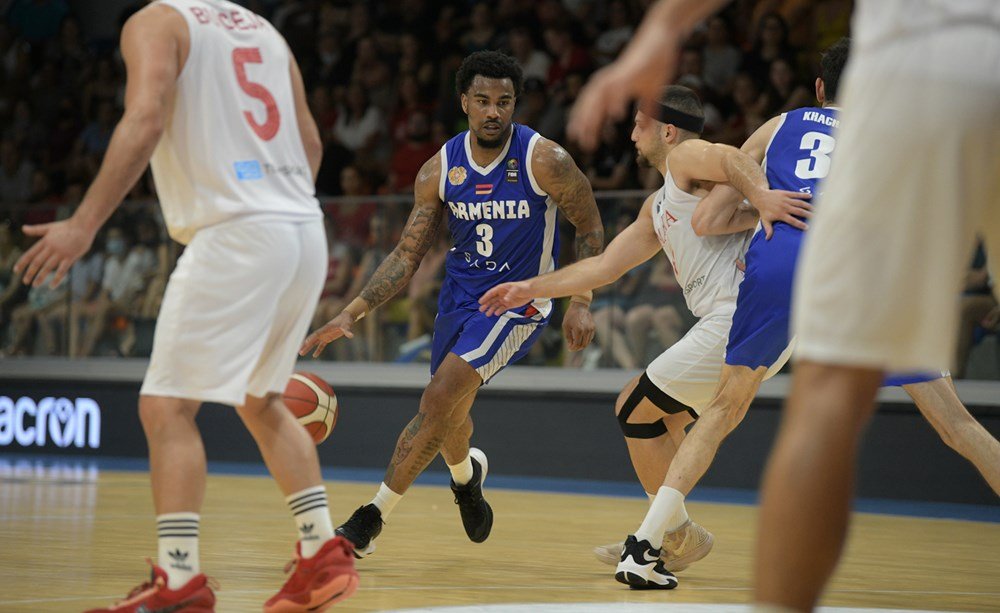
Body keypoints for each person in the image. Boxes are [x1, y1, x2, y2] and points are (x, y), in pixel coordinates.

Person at [14, 1, 359, 611]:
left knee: (166, 407)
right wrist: (274, 206)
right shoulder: (264, 29)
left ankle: (179, 581)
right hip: (303, 228)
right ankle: (321, 553)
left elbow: (146, 117)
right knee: (261, 400)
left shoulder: (157, 21)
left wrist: (84, 223)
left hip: (237, 232)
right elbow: (309, 142)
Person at [632, 38, 1000, 589]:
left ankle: (645, 544)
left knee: (726, 407)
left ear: (821, 87)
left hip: (788, 254)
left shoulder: (783, 124)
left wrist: (765, 205)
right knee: (957, 424)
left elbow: (707, 220)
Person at [479, 84, 811, 589]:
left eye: (640, 124)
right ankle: (671, 533)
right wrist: (531, 288)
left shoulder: (685, 158)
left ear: (668, 130)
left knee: (634, 406)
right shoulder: (658, 206)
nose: (632, 134)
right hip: (728, 322)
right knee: (662, 418)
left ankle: (665, 537)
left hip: (740, 314)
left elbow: (730, 156)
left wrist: (761, 197)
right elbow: (605, 267)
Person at [301, 50, 603, 558]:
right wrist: (351, 311)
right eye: (483, 101)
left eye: (504, 102)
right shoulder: (439, 168)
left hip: (520, 303)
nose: (493, 112)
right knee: (450, 415)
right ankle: (466, 478)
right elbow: (407, 254)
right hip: (459, 300)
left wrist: (581, 298)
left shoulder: (545, 160)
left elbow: (590, 224)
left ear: (515, 105)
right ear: (464, 102)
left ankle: (370, 519)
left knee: (439, 397)